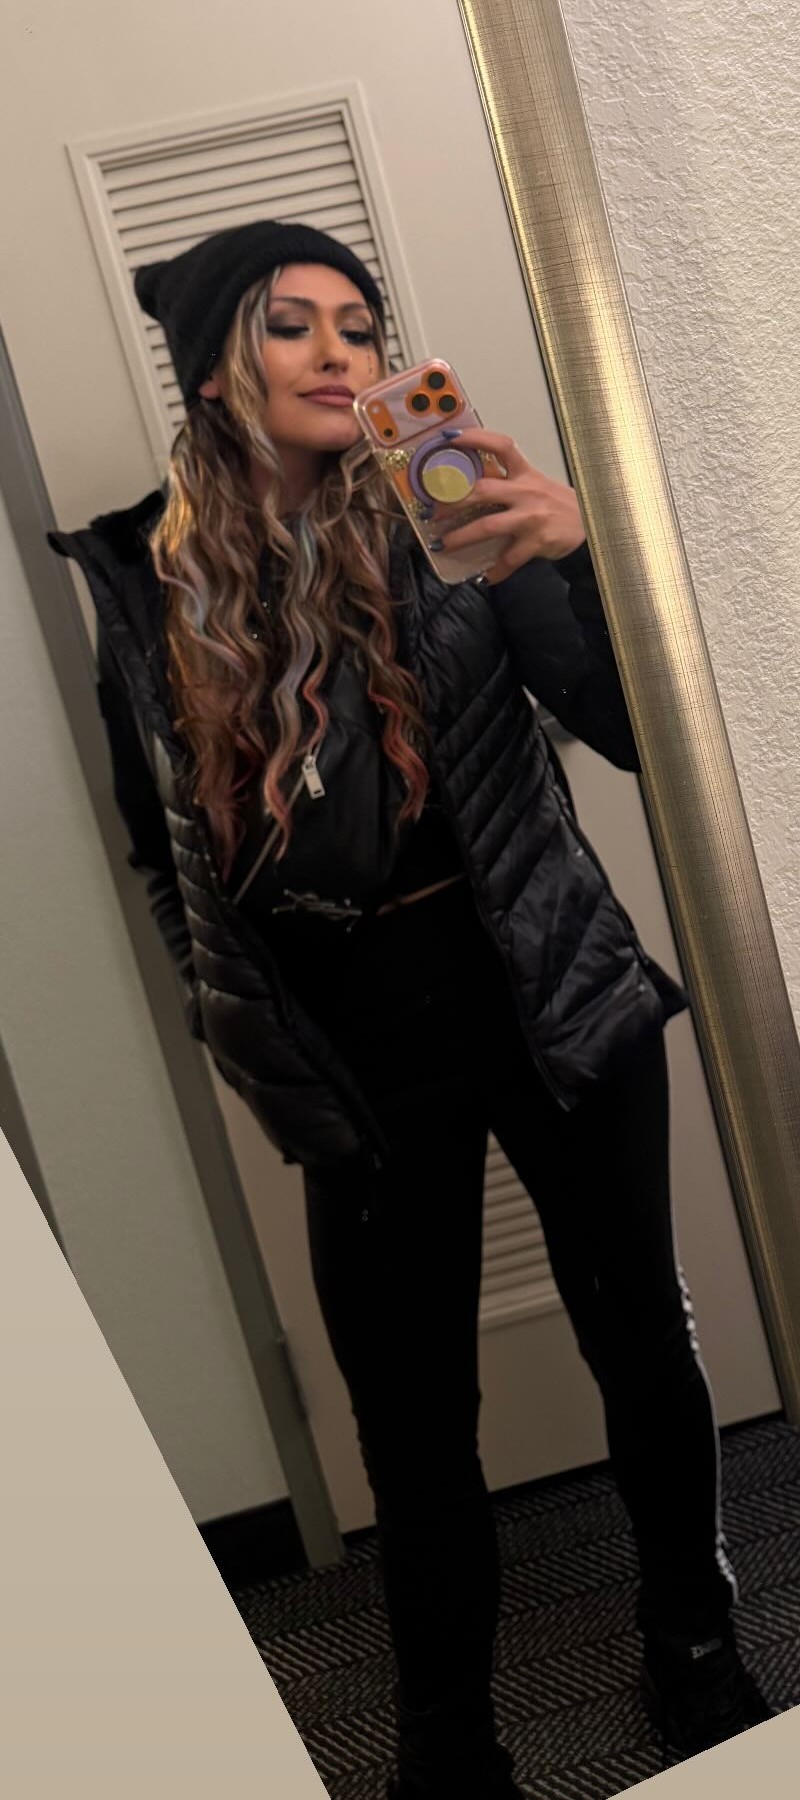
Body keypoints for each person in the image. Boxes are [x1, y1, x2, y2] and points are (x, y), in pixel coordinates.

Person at [49, 220, 773, 1800]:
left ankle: (694, 1640)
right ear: (218, 368)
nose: (339, 353)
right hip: (357, 1052)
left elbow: (635, 735)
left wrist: (573, 556)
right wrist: (233, 1021)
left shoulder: (451, 520)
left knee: (643, 1343)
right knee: (409, 1415)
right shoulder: (141, 581)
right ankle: (448, 1739)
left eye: (361, 328)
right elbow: (158, 847)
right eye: (293, 323)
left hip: (547, 986)